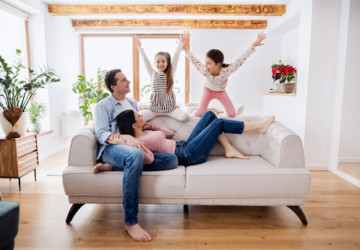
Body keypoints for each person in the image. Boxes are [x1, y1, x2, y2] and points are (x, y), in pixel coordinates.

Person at [93, 69, 178, 242]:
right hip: (113, 148)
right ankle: (131, 221)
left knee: (171, 159)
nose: (129, 81)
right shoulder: (103, 105)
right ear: (113, 86)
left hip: (134, 146)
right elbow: (101, 133)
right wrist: (123, 137)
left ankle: (114, 167)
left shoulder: (132, 102)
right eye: (124, 80)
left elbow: (138, 127)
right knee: (135, 156)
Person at [101, 109, 274, 167]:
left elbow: (168, 133)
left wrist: (149, 125)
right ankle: (259, 126)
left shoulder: (147, 133)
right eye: (138, 116)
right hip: (187, 155)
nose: (141, 116)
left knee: (209, 115)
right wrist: (120, 138)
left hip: (184, 145)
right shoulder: (137, 142)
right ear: (133, 125)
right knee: (219, 122)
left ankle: (228, 149)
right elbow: (128, 148)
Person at [182, 32, 267, 117]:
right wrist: (186, 49)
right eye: (205, 63)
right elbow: (195, 61)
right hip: (207, 90)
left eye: (208, 63)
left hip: (220, 92)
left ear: (218, 64)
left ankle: (219, 119)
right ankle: (189, 116)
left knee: (232, 113)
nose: (205, 65)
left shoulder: (226, 71)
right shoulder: (205, 70)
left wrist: (253, 45)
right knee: (200, 113)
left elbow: (241, 60)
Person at [136, 33, 190, 122]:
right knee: (138, 118)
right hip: (154, 109)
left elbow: (176, 57)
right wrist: (139, 48)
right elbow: (145, 60)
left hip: (170, 109)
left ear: (167, 63)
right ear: (154, 63)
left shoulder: (170, 73)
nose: (160, 64)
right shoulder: (152, 73)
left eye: (163, 61)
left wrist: (181, 44)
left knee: (185, 116)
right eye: (158, 62)